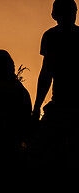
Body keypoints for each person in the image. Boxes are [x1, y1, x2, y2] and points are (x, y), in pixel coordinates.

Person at [31, 0, 79, 176]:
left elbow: (46, 73)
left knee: (41, 154)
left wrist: (36, 107)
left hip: (61, 106)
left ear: (54, 15)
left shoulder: (51, 36)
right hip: (66, 105)